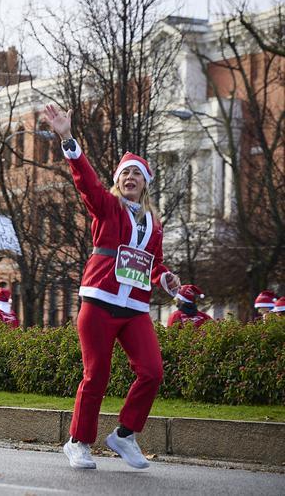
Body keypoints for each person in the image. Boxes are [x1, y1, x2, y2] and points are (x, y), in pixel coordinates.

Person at [44, 104, 180, 471]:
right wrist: (68, 138)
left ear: (146, 183)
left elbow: (155, 262)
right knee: (96, 374)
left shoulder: (154, 221)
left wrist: (165, 278)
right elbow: (86, 180)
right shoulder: (106, 206)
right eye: (126, 173)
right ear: (118, 181)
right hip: (100, 299)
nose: (131, 177)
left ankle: (124, 434)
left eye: (138, 173)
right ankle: (77, 442)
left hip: (135, 307)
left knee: (152, 371)